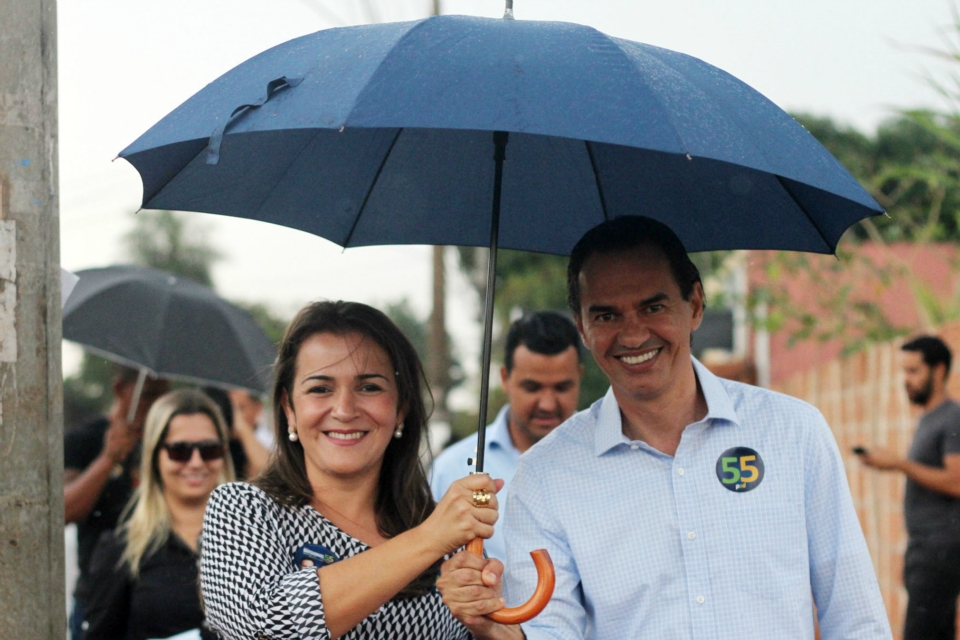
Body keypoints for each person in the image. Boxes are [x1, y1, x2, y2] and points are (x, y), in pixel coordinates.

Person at [438, 216, 891, 640]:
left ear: (694, 305)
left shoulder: (793, 433)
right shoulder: (544, 476)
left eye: (652, 306)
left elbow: (856, 618)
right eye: (606, 315)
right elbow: (552, 631)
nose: (633, 335)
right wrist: (499, 629)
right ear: (582, 326)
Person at [199, 300, 500, 640]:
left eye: (369, 387)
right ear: (289, 409)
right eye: (320, 389)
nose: (344, 409)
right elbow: (265, 626)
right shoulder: (243, 509)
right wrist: (428, 539)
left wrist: (491, 627)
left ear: (401, 408)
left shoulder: (452, 540)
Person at [83, 388, 235, 640]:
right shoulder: (122, 550)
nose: (196, 462)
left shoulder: (255, 542)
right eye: (180, 450)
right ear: (155, 455)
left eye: (209, 449)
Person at [430, 310, 582, 561]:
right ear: (505, 379)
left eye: (562, 387)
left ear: (580, 377)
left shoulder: (615, 461)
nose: (547, 404)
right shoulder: (451, 469)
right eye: (532, 387)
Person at [856, 335, 960, 640]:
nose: (906, 380)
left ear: (938, 371)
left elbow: (957, 481)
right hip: (926, 550)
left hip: (939, 552)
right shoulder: (930, 419)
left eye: (914, 371)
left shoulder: (951, 417)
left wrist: (899, 463)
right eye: (904, 372)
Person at [64, 366, 169, 640]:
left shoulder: (171, 445)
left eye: (163, 396)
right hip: (99, 595)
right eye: (147, 396)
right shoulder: (84, 440)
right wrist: (108, 459)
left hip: (157, 597)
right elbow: (62, 510)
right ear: (120, 390)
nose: (156, 405)